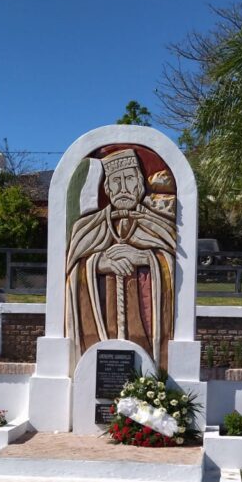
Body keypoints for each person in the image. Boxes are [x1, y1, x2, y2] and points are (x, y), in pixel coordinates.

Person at [65, 148, 176, 367]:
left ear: (140, 183)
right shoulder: (87, 227)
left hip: (145, 319)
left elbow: (175, 266)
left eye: (129, 179)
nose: (122, 188)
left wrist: (144, 257)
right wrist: (99, 263)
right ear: (106, 187)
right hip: (102, 321)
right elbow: (71, 272)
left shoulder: (158, 225)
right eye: (116, 181)